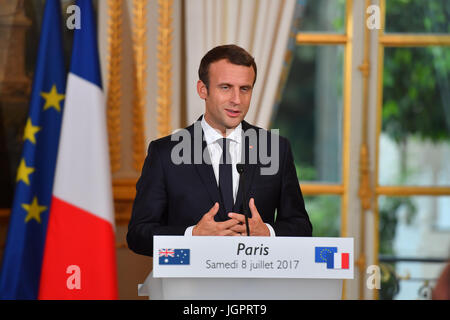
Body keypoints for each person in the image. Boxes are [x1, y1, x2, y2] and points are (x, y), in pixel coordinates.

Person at [127, 44, 312, 257]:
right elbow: (138, 234)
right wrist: (192, 236)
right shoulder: (165, 152)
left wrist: (268, 233)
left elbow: (301, 227)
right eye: (225, 87)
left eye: (245, 89)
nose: (236, 100)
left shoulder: (276, 149)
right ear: (202, 90)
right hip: (189, 287)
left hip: (256, 285)